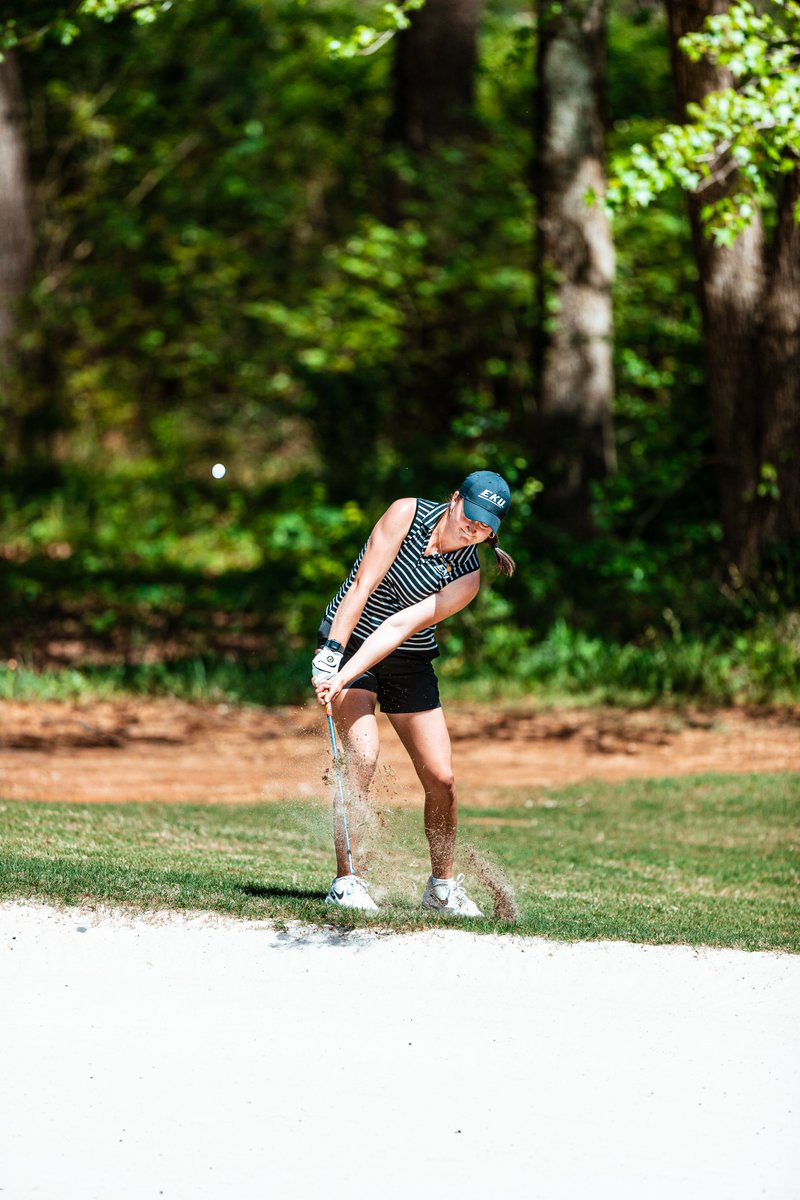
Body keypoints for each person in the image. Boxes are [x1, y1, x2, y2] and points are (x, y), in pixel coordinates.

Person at [311, 469, 516, 916]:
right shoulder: (406, 514)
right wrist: (333, 655)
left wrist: (343, 677)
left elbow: (399, 626)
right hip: (350, 639)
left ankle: (441, 890)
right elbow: (362, 585)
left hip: (408, 658)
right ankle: (347, 881)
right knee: (362, 756)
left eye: (485, 526)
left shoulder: (467, 578)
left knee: (442, 778)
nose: (473, 529)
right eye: (470, 516)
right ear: (455, 499)